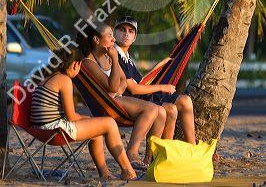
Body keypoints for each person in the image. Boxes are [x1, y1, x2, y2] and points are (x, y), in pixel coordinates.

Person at [30, 46, 137, 181]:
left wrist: (89, 120)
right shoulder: (64, 80)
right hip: (54, 130)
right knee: (109, 123)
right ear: (76, 64)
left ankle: (105, 174)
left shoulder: (49, 77)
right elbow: (72, 116)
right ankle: (128, 171)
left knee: (97, 133)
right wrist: (87, 118)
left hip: (41, 129)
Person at [76, 23, 168, 171]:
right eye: (109, 36)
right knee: (151, 109)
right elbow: (112, 86)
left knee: (161, 112)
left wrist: (116, 88)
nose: (113, 39)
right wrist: (116, 67)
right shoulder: (89, 62)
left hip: (115, 99)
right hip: (107, 106)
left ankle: (150, 159)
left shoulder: (107, 56)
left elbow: (123, 81)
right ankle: (131, 152)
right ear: (96, 40)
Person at [114, 16, 196, 145]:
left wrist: (160, 65)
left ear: (134, 37)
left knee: (183, 102)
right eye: (122, 30)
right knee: (175, 107)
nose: (126, 34)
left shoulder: (126, 58)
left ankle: (190, 148)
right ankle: (160, 156)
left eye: (131, 31)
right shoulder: (116, 55)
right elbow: (134, 89)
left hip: (141, 98)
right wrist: (162, 87)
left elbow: (141, 82)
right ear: (114, 33)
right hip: (133, 102)